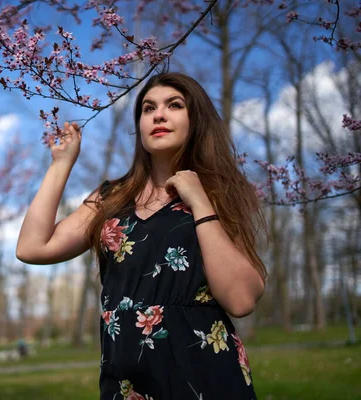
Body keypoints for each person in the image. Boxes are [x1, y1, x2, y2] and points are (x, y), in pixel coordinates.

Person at [16, 72, 267, 400]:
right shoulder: (111, 198)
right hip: (125, 385)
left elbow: (241, 299)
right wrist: (62, 164)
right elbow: (33, 247)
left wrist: (199, 200)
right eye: (148, 108)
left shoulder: (219, 193)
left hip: (205, 378)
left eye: (174, 105)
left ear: (197, 120)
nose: (158, 114)